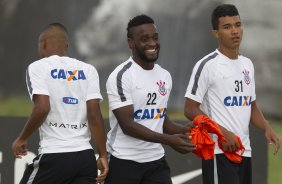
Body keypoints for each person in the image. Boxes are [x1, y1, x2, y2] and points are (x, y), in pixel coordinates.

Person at [184, 4, 280, 184]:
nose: (234, 31)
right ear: (216, 33)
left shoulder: (247, 64)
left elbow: (250, 105)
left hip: (245, 151)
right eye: (227, 27)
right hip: (218, 152)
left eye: (237, 24)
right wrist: (222, 133)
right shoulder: (207, 65)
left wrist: (266, 127)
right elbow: (190, 109)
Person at [12, 23, 109, 184]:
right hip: (85, 158)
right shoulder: (88, 69)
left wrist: (21, 139)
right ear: (67, 46)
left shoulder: (37, 67)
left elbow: (43, 107)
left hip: (54, 155)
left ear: (42, 44)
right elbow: (94, 114)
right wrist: (103, 155)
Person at [104, 14, 196, 184]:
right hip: (124, 161)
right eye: (144, 39)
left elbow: (159, 117)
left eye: (155, 37)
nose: (152, 43)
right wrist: (169, 140)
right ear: (131, 42)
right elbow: (128, 126)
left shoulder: (164, 75)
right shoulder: (121, 75)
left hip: (156, 162)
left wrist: (182, 129)